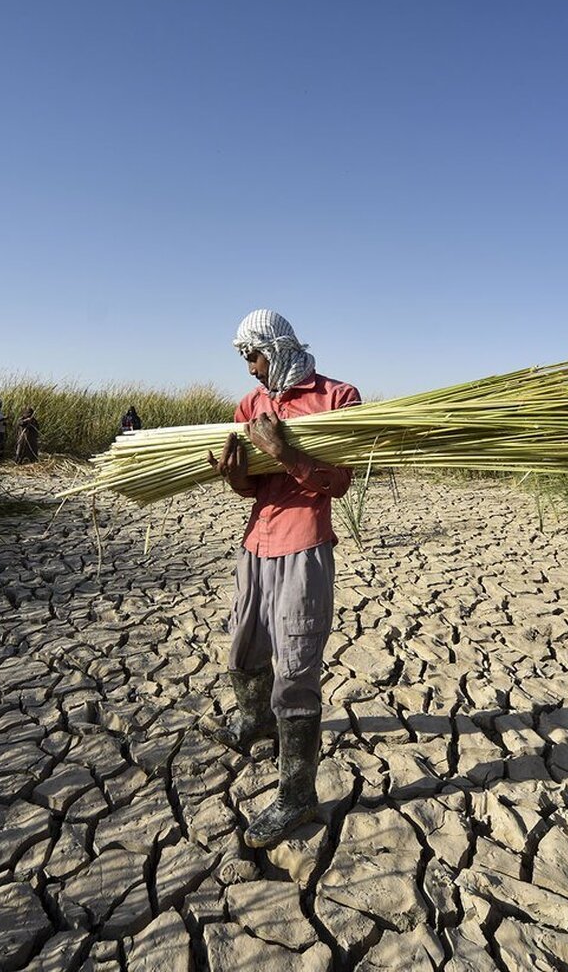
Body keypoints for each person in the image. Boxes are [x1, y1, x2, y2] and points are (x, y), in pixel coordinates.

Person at [205, 309, 359, 849]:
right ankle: (254, 720)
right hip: (256, 543)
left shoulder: (337, 399)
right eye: (243, 357)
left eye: (254, 354)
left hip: (304, 546)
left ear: (278, 345)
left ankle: (297, 796)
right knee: (244, 645)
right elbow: (252, 492)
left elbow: (337, 482)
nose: (249, 367)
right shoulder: (251, 405)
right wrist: (237, 476)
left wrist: (286, 453)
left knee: (295, 664)